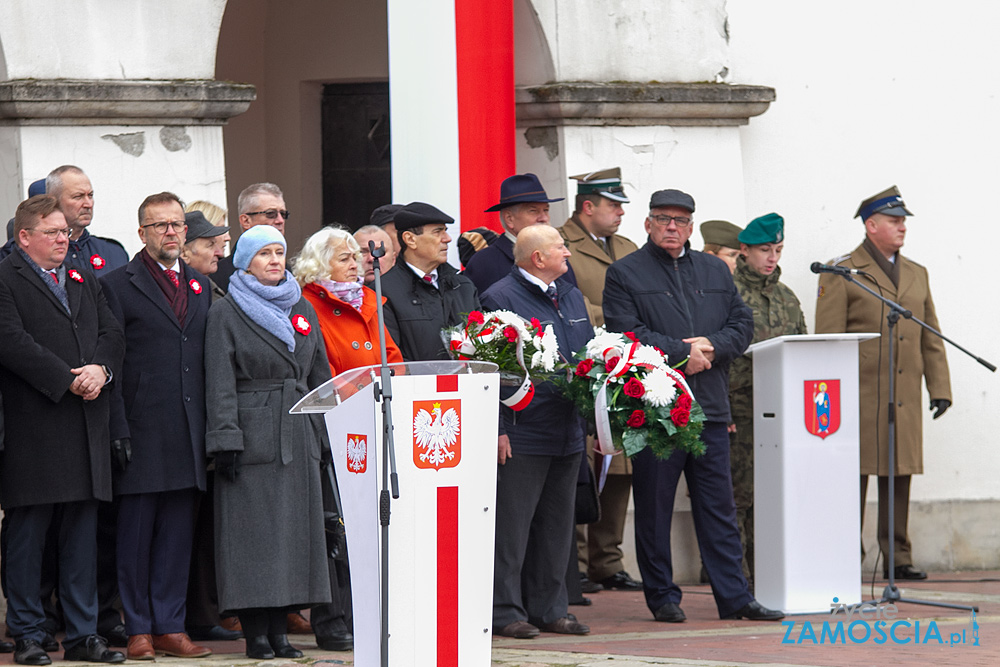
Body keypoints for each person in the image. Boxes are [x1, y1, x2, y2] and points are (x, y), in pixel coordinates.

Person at [603, 188, 783, 623]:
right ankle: (663, 595)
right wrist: (684, 354)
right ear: (647, 224)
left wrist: (713, 347)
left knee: (718, 507)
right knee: (655, 506)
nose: (671, 227)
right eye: (663, 219)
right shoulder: (625, 273)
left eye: (681, 221)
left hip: (710, 407)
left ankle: (735, 597)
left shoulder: (715, 270)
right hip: (656, 408)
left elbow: (742, 324)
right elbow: (626, 333)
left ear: (690, 227)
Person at [0, 195, 126, 666]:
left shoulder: (81, 275)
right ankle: (29, 632)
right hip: (35, 424)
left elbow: (112, 333)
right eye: (53, 232)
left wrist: (100, 369)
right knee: (28, 535)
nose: (63, 239)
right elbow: (11, 341)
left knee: (81, 534)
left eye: (65, 232)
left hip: (85, 423)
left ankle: (82, 634)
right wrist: (67, 379)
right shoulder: (5, 279)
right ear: (24, 236)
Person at [205, 225, 332, 660]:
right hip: (252, 436)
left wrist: (326, 432)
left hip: (298, 433)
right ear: (244, 262)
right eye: (265, 254)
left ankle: (281, 630)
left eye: (280, 252)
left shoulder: (302, 306)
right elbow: (219, 381)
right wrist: (225, 441)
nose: (275, 261)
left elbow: (320, 374)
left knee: (292, 539)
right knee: (253, 539)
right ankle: (256, 633)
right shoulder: (226, 311)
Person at [815, 185, 951, 581]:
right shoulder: (841, 270)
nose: (902, 227)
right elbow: (828, 338)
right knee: (851, 474)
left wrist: (939, 387)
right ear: (871, 225)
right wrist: (828, 396)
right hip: (857, 393)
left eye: (903, 220)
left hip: (904, 394)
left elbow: (931, 335)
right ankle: (844, 550)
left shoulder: (916, 273)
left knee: (898, 471)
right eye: (894, 221)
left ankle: (897, 554)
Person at [100, 192, 213, 660]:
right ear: (141, 232)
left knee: (176, 533)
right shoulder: (116, 284)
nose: (170, 232)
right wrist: (118, 428)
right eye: (159, 225)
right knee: (135, 535)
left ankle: (170, 625)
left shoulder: (203, 285)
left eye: (176, 224)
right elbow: (112, 360)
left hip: (189, 427)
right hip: (141, 426)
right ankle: (139, 627)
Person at [294, 225, 405, 651]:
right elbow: (319, 367)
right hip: (335, 424)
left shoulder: (372, 302)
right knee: (335, 527)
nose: (355, 264)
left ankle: (370, 613)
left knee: (370, 523)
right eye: (344, 258)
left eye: (355, 258)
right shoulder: (309, 303)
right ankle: (332, 617)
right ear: (321, 264)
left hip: (377, 422)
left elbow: (391, 357)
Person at [482, 225, 593, 639]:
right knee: (512, 527)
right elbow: (492, 369)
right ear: (537, 258)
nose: (568, 252)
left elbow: (586, 356)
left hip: (566, 429)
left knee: (556, 527)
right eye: (560, 247)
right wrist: (495, 428)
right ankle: (505, 610)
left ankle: (551, 608)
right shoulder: (500, 298)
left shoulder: (570, 293)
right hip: (523, 430)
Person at [560, 167, 642, 596]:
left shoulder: (627, 247)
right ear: (587, 206)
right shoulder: (560, 244)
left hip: (625, 367)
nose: (620, 213)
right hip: (583, 364)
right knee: (580, 462)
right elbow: (564, 299)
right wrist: (616, 318)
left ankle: (607, 559)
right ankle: (572, 561)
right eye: (613, 205)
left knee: (620, 462)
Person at [728, 213, 807, 587]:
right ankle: (738, 581)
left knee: (772, 496)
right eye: (764, 250)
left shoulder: (787, 297)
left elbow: (803, 348)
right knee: (737, 496)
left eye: (777, 250)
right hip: (738, 409)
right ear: (744, 251)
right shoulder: (727, 292)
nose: (772, 257)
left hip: (780, 413)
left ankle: (771, 575)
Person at [380, 202, 480, 361]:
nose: (447, 239)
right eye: (437, 232)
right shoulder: (383, 291)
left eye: (445, 231)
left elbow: (482, 344)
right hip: (414, 385)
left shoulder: (463, 286)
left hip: (466, 385)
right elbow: (391, 359)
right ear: (410, 239)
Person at [463, 173, 564, 294]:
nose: (543, 218)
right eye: (533, 211)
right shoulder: (485, 263)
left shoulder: (558, 255)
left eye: (546, 210)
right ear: (509, 219)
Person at [214, 183, 288, 291]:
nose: (280, 220)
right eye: (271, 213)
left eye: (283, 214)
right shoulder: (219, 274)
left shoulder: (287, 272)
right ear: (246, 221)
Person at [180, 211, 229, 300]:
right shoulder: (182, 296)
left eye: (215, 244)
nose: (219, 253)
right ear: (184, 254)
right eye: (210, 245)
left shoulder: (208, 286)